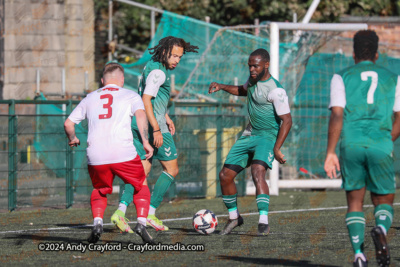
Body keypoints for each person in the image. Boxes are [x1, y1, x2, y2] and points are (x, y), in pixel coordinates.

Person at [324, 30, 400, 267]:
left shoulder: (341, 77)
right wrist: (388, 140)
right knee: (384, 199)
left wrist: (330, 152)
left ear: (354, 53)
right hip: (381, 142)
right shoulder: (393, 78)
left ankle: (359, 255)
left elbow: (337, 115)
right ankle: (380, 229)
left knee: (355, 202)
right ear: (377, 54)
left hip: (351, 144)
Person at [111, 36, 199, 232]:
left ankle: (120, 212)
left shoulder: (152, 66)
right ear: (165, 52)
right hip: (152, 126)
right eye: (174, 55)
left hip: (139, 122)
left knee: (141, 173)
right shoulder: (159, 72)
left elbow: (152, 97)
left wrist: (166, 116)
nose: (177, 60)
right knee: (172, 169)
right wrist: (158, 128)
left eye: (180, 57)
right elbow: (146, 99)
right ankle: (150, 213)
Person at [64, 63, 155, 244]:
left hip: (96, 154)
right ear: (122, 80)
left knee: (100, 189)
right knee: (140, 185)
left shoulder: (89, 98)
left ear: (102, 81)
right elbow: (141, 115)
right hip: (124, 153)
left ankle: (98, 223)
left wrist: (73, 138)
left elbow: (68, 123)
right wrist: (145, 142)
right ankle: (142, 224)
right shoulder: (130, 95)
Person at [208, 48, 292, 236]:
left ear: (266, 65)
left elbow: (287, 120)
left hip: (267, 136)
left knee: (257, 172)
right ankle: (234, 217)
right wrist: (222, 86)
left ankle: (263, 221)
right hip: (249, 134)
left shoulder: (276, 90)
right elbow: (242, 90)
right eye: (249, 66)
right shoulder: (253, 81)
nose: (252, 69)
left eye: (256, 65)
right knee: (225, 175)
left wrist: (277, 148)